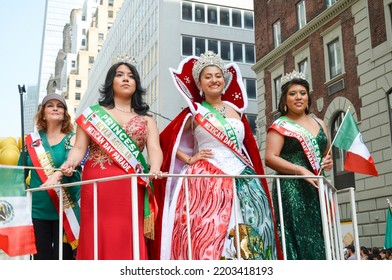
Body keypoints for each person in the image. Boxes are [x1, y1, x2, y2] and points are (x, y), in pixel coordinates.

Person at [152, 51, 282, 260]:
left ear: (225, 80)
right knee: (205, 234)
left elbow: (246, 146)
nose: (214, 80)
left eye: (218, 75)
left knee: (256, 229)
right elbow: (163, 142)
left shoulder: (236, 111)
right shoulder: (193, 113)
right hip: (205, 182)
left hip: (244, 179)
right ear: (200, 84)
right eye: (208, 76)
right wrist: (189, 159)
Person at [59, 58, 163, 260]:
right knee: (96, 233)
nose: (126, 79)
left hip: (131, 185)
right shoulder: (94, 115)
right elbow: (79, 148)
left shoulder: (147, 119)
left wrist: (155, 168)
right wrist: (69, 163)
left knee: (127, 235)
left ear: (137, 84)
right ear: (110, 82)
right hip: (98, 184)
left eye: (131, 76)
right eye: (120, 74)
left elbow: (155, 149)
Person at [264, 70, 333, 260]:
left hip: (317, 186)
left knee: (320, 232)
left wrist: (328, 162)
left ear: (308, 96)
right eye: (292, 93)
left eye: (302, 93)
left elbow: (326, 152)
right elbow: (270, 158)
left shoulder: (319, 122)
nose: (298, 97)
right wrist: (299, 169)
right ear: (284, 99)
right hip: (292, 187)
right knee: (298, 233)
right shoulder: (280, 125)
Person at [18, 93, 81, 260]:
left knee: (64, 258)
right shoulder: (30, 141)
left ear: (65, 113)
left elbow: (71, 162)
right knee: (41, 259)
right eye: (50, 105)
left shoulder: (72, 139)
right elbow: (19, 174)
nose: (55, 108)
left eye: (59, 106)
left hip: (65, 209)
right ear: (43, 113)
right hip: (37, 210)